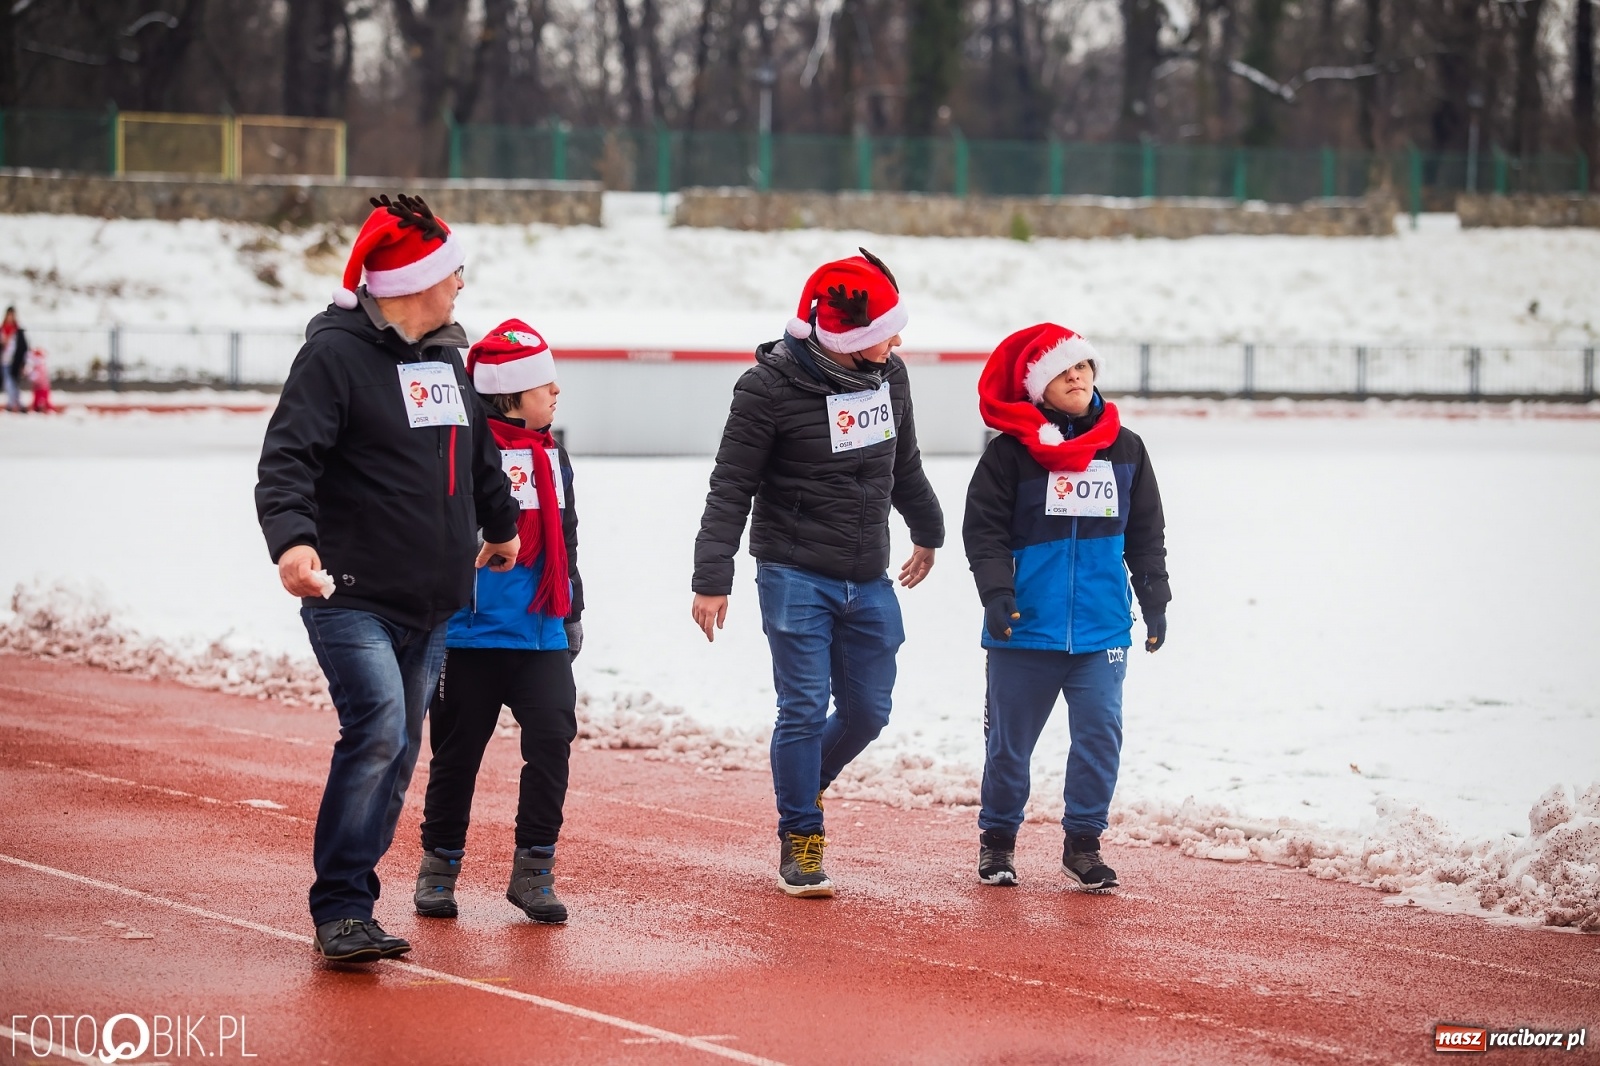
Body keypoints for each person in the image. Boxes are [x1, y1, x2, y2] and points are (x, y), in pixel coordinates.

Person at [255, 194, 521, 964]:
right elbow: (287, 460)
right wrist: (293, 545)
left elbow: (477, 454)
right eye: (453, 273)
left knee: (400, 751)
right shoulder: (334, 358)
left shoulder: (443, 359)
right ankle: (340, 907)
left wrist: (501, 526)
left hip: (431, 600)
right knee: (377, 728)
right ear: (413, 281)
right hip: (349, 592)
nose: (462, 285)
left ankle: (356, 906)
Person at [692, 248, 944, 898]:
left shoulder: (890, 376)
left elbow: (905, 464)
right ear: (846, 337)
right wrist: (712, 576)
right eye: (886, 331)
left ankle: (805, 784)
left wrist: (928, 530)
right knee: (802, 707)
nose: (898, 341)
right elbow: (731, 485)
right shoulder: (766, 389)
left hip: (868, 573)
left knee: (868, 712)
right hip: (794, 574)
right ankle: (801, 834)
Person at [962, 323, 1169, 892]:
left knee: (1100, 737)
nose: (1076, 377)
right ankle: (997, 840)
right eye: (1062, 371)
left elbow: (1145, 533)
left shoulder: (1126, 448)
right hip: (1025, 629)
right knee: (1009, 747)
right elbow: (984, 532)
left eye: (1082, 366)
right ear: (1038, 388)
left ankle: (1083, 845)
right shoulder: (1009, 454)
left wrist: (1154, 597)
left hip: (1102, 629)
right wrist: (997, 593)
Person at [413, 321, 583, 926]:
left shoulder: (553, 455)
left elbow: (567, 537)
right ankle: (438, 869)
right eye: (543, 384)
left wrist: (573, 612)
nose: (556, 392)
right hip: (469, 636)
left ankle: (534, 870)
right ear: (510, 395)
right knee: (456, 757)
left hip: (541, 634)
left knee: (552, 745)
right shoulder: (461, 449)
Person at [2, 307, 28, 412]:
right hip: (4, 361)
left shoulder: (18, 331)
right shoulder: (2, 330)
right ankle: (14, 403)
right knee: (8, 382)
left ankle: (15, 403)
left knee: (13, 383)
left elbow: (23, 347)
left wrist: (22, 363)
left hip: (15, 362)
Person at [25, 346, 57, 413]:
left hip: (42, 387)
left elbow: (37, 377)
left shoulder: (40, 366)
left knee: (43, 399)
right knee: (37, 399)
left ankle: (48, 409)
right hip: (38, 386)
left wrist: (31, 376)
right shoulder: (38, 366)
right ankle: (37, 408)